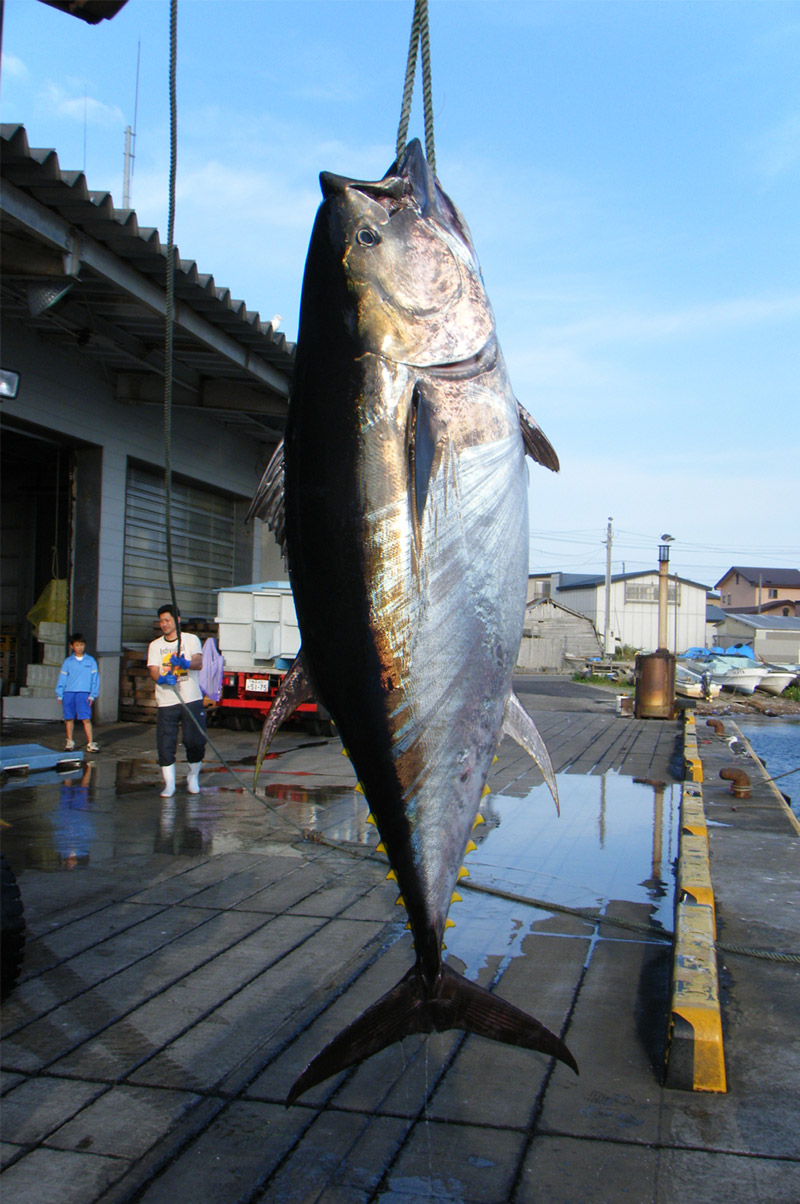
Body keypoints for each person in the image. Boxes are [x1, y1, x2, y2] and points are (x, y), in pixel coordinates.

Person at [147, 604, 206, 797]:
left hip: (191, 698)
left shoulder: (190, 640)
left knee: (194, 740)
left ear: (177, 620)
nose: (164, 624)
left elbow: (199, 662)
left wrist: (186, 663)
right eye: (161, 621)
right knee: (165, 742)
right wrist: (163, 679)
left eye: (168, 620)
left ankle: (193, 776)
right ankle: (170, 784)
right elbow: (154, 671)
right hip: (167, 700)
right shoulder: (155, 646)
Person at [55, 632, 100, 752]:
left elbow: (95, 680)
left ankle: (90, 743)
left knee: (86, 718)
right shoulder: (68, 662)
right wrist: (60, 693)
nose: (80, 647)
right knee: (69, 718)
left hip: (84, 693)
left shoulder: (91, 661)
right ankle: (70, 741)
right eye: (77, 645)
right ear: (71, 646)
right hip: (69, 693)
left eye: (82, 644)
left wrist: (92, 695)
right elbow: (62, 678)